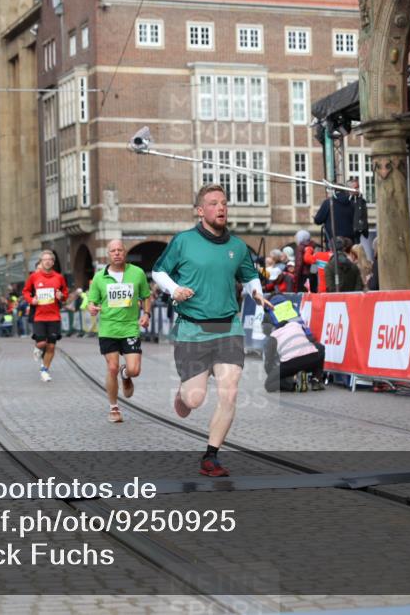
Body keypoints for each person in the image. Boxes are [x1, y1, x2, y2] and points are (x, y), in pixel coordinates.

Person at [152, 184, 272, 477]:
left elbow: (250, 276)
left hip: (227, 326)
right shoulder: (183, 241)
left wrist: (256, 292)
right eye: (214, 203)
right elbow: (158, 271)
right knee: (194, 400)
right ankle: (183, 394)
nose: (221, 208)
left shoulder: (238, 247)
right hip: (192, 328)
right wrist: (175, 289)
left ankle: (211, 456)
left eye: (224, 203)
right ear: (200, 210)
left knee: (229, 393)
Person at [86, 239, 152, 424]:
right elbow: (92, 301)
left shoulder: (137, 273)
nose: (116, 253)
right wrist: (92, 308)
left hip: (130, 327)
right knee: (111, 367)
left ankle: (126, 375)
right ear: (108, 254)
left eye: (120, 250)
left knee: (134, 370)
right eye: (113, 251)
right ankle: (114, 408)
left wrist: (146, 314)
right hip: (108, 328)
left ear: (125, 253)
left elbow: (146, 296)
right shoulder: (100, 277)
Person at [263, 296, 326, 392]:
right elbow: (311, 338)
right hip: (310, 359)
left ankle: (293, 383)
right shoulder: (296, 324)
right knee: (320, 348)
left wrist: (273, 374)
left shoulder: (274, 334)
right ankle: (316, 380)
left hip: (290, 364)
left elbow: (269, 360)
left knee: (269, 385)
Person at [22, 251, 68, 382]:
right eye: (44, 260)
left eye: (49, 260)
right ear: (41, 262)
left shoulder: (59, 277)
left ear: (53, 262)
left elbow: (65, 292)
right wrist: (32, 301)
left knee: (52, 346)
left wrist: (62, 296)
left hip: (54, 317)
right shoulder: (34, 277)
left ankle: (44, 370)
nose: (47, 262)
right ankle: (37, 348)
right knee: (42, 342)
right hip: (40, 317)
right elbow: (25, 291)